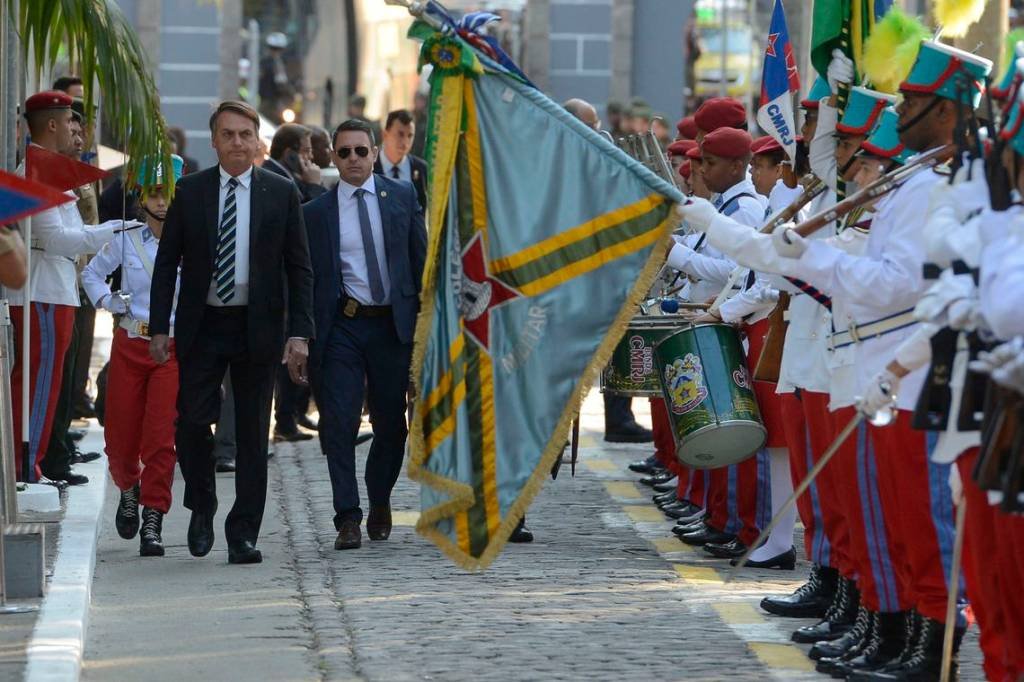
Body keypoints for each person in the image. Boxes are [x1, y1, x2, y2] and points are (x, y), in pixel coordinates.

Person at [149, 100, 314, 565]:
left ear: (257, 140)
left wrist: (299, 333)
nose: (237, 142)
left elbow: (300, 269)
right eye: (228, 134)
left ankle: (243, 532)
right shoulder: (191, 191)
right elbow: (167, 265)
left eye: (245, 134)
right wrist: (160, 327)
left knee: (251, 434)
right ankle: (201, 505)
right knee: (193, 423)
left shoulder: (280, 193)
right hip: (204, 326)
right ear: (215, 140)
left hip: (257, 327)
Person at [302, 118, 426, 551]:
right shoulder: (316, 213)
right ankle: (348, 517)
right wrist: (299, 335)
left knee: (392, 425)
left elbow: (419, 261)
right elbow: (306, 279)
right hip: (343, 327)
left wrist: (425, 329)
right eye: (344, 152)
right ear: (333, 158)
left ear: (375, 152)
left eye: (361, 150)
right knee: (338, 421)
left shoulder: (402, 197)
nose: (353, 158)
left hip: (393, 326)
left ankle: (379, 501)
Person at [11, 91, 140, 484]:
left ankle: (32, 462)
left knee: (47, 385)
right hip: (42, 290)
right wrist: (111, 231)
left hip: (51, 288)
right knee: (38, 384)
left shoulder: (50, 169)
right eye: (70, 121)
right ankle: (26, 467)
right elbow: (57, 239)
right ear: (51, 124)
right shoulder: (34, 170)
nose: (76, 130)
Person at [82, 154, 184, 557]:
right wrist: (108, 299)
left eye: (167, 194)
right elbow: (90, 273)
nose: (160, 202)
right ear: (141, 197)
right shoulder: (125, 239)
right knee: (120, 436)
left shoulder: (190, 242)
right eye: (153, 194)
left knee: (160, 438)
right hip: (129, 343)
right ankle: (128, 487)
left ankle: (153, 517)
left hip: (171, 349)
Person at [262, 124, 322, 444]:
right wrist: (314, 187)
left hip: (285, 282)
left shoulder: (285, 177)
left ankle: (289, 416)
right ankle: (284, 420)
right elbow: (306, 226)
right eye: (308, 152)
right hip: (279, 284)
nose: (312, 159)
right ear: (291, 154)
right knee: (286, 353)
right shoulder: (277, 179)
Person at [373, 110, 428, 214]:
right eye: (400, 134)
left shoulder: (421, 169)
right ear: (385, 135)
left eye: (410, 136)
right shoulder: (370, 167)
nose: (405, 142)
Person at [263, 123, 327, 205]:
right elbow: (304, 215)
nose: (311, 156)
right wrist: (314, 185)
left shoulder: (294, 176)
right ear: (289, 154)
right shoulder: (272, 179)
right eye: (306, 151)